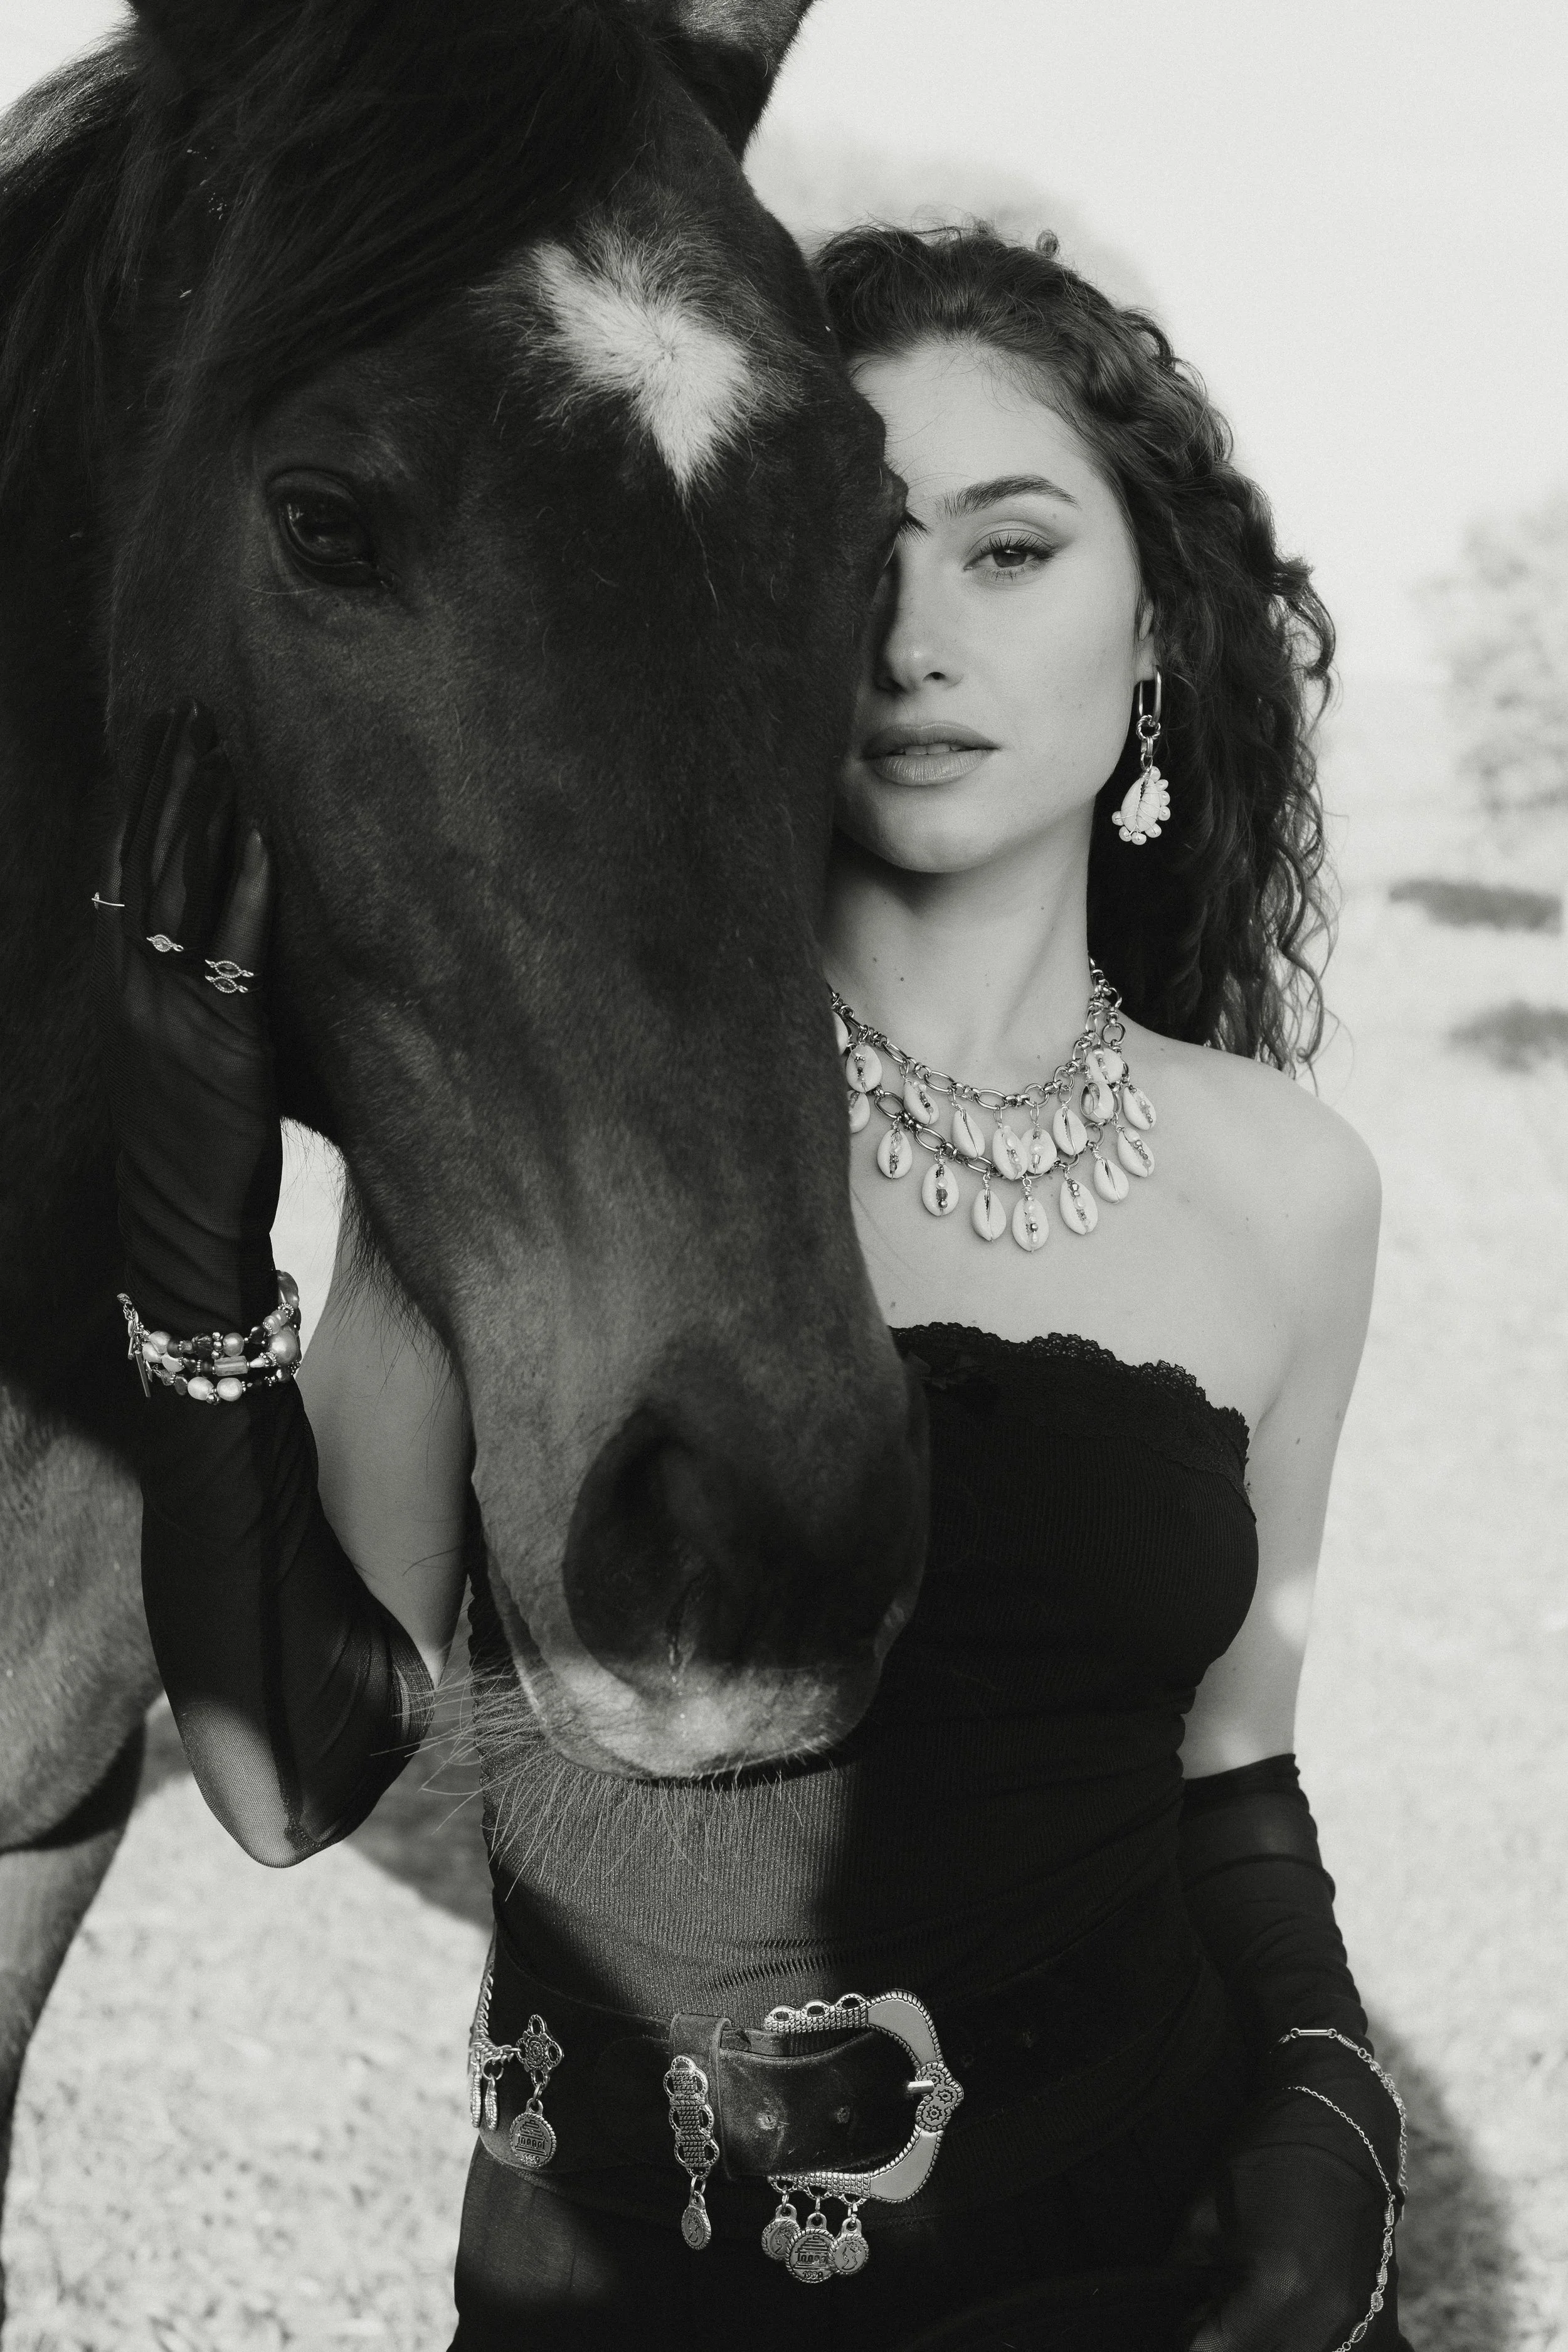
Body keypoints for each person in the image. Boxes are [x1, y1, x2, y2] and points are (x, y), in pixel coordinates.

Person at [97, 224, 1411, 2351]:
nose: (914, 641)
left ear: (1154, 631)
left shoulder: (1290, 1189)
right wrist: (192, 1197)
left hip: (1156, 2275)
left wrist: (1330, 2099)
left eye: (1010, 550)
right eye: (857, 558)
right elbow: (292, 1771)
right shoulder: (556, 1119)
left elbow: (1228, 1766)